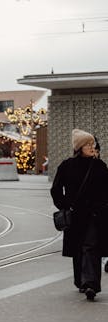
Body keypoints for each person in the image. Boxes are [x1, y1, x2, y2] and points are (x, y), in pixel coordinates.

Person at [50, 129, 108, 300]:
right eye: (88, 144)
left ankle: (90, 283)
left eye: (93, 144)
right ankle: (80, 280)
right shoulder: (66, 165)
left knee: (91, 247)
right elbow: (55, 189)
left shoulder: (99, 165)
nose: (92, 146)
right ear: (79, 147)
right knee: (78, 247)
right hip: (75, 214)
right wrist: (63, 206)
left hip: (95, 214)